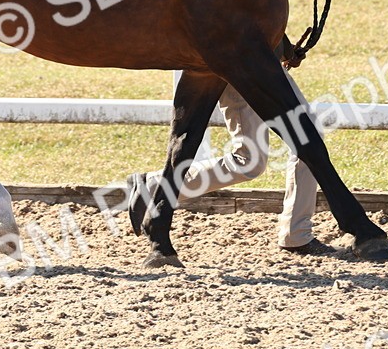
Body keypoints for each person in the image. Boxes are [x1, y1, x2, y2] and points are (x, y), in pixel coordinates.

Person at [126, 66, 331, 256]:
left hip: (261, 60)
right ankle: (155, 186)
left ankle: (296, 232)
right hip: (240, 61)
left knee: (303, 139)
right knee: (255, 159)